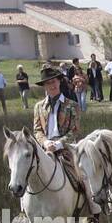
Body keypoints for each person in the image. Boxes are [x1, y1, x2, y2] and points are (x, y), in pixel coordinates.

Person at [32, 64, 87, 202]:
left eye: (54, 81)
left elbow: (75, 131)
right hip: (44, 148)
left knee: (84, 177)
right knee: (25, 173)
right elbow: (37, 129)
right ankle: (25, 210)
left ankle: (93, 210)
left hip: (66, 149)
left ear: (59, 82)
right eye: (48, 83)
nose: (52, 85)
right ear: (44, 86)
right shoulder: (38, 107)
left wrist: (57, 145)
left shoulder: (72, 105)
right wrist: (45, 142)